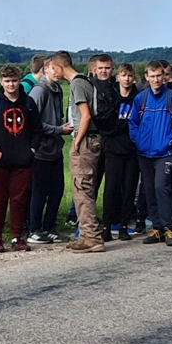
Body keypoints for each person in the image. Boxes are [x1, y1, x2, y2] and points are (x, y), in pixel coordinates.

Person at [128, 60, 172, 246]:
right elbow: (133, 122)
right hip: (144, 153)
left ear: (164, 77)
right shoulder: (141, 98)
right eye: (152, 76)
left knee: (162, 187)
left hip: (164, 153)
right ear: (146, 77)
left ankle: (168, 228)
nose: (156, 80)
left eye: (158, 76)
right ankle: (156, 228)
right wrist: (138, 140)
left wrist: (168, 142)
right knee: (149, 189)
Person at [0, 66, 37, 253]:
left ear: (19, 81)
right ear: (1, 82)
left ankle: (17, 236)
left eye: (14, 80)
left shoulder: (29, 103)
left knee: (19, 199)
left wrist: (32, 150)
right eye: (7, 81)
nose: (11, 84)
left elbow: (37, 130)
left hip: (22, 161)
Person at [27, 52, 73, 243]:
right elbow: (32, 123)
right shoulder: (39, 91)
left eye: (59, 68)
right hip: (40, 151)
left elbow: (56, 116)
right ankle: (34, 229)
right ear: (45, 69)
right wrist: (59, 130)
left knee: (57, 190)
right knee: (39, 192)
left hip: (55, 149)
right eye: (53, 68)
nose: (57, 72)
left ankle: (50, 227)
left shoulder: (58, 89)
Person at [66, 55, 110, 253]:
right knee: (86, 188)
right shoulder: (86, 81)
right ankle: (86, 234)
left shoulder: (77, 83)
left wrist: (77, 140)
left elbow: (85, 115)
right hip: (95, 138)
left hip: (86, 140)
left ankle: (91, 236)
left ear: (58, 67)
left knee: (82, 188)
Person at [101, 62, 141, 242]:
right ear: (118, 77)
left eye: (130, 76)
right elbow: (107, 122)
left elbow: (139, 122)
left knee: (129, 189)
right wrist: (122, 125)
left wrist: (123, 126)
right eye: (123, 75)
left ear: (134, 78)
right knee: (111, 189)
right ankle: (106, 226)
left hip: (132, 149)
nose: (127, 79)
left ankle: (124, 225)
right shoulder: (110, 95)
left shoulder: (138, 97)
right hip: (112, 149)